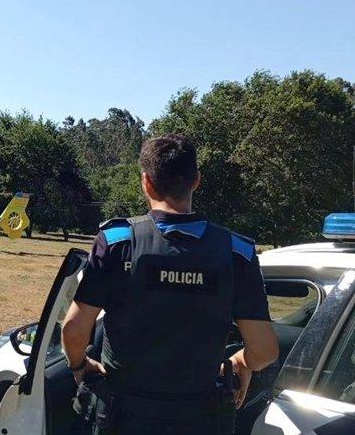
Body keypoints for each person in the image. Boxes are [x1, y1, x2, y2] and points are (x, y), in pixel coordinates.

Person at [62, 134, 279, 435]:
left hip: (122, 417)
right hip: (202, 419)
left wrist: (78, 365)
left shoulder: (116, 243)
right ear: (196, 181)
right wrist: (242, 361)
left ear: (146, 182)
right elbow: (265, 350)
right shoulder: (237, 252)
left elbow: (73, 330)